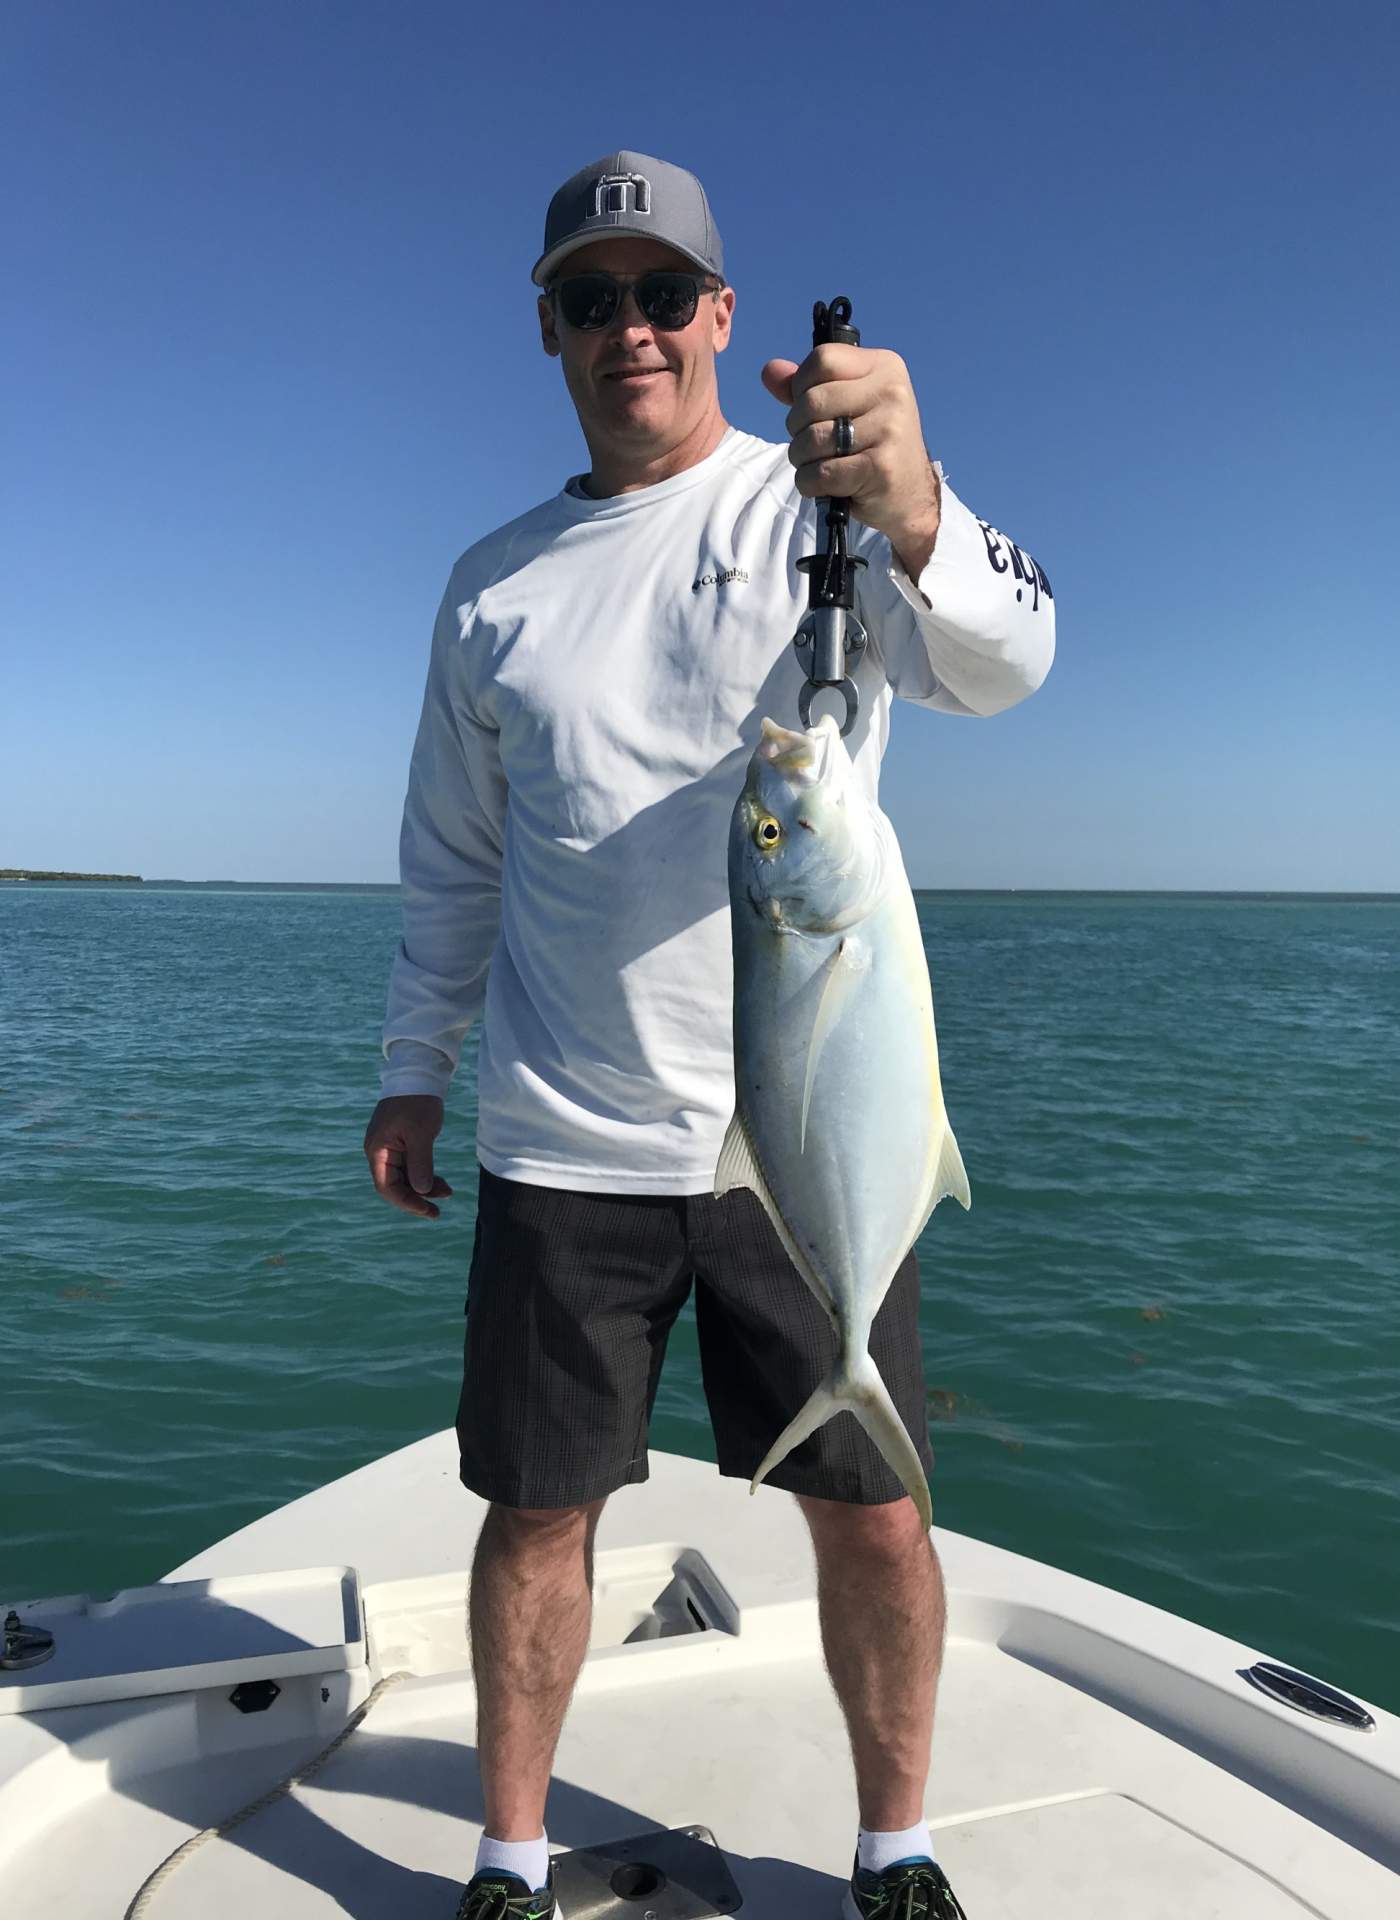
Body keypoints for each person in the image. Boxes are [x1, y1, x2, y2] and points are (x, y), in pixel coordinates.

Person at [364, 150, 1055, 1920]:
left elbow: (1008, 657)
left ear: (721, 318)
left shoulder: (814, 507)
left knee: (878, 1514)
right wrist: (410, 1065)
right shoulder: (490, 584)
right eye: (592, 301)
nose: (633, 331)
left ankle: (896, 1854)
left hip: (811, 1140)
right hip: (555, 1135)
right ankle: (512, 1865)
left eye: (665, 295)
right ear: (549, 331)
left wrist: (916, 507)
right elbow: (453, 857)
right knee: (533, 1517)